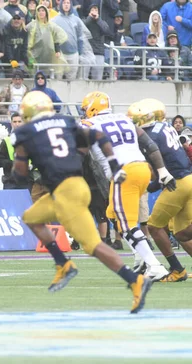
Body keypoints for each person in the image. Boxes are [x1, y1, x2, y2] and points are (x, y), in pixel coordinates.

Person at [13, 91, 152, 314]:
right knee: (31, 218)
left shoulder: (26, 132)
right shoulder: (67, 122)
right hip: (74, 187)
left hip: (67, 194)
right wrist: (114, 165)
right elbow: (98, 136)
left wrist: (21, 160)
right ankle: (63, 264)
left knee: (93, 246)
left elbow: (19, 174)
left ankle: (135, 280)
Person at [81, 91, 174, 281]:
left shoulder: (88, 124)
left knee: (127, 225)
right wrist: (163, 172)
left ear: (92, 107)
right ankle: (140, 257)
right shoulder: (125, 119)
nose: (84, 113)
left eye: (85, 109)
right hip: (142, 169)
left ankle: (154, 266)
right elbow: (150, 145)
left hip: (123, 173)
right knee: (112, 213)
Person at [130, 99, 191, 282]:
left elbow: (156, 166)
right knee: (182, 233)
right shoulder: (166, 127)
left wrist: (149, 185)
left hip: (177, 183)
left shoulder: (149, 135)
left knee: (155, 227)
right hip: (188, 178)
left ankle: (177, 269)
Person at [26, 5, 67, 77]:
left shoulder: (51, 25)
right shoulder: (31, 25)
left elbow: (58, 36)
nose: (41, 12)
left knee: (47, 76)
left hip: (48, 56)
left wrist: (57, 50)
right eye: (39, 11)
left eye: (43, 11)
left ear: (46, 13)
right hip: (32, 55)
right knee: (32, 74)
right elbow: (23, 32)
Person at [0, 112, 30, 189]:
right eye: (14, 122)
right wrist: (13, 163)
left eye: (19, 121)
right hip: (10, 181)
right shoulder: (6, 140)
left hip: (27, 181)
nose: (17, 124)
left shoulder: (30, 140)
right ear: (11, 123)